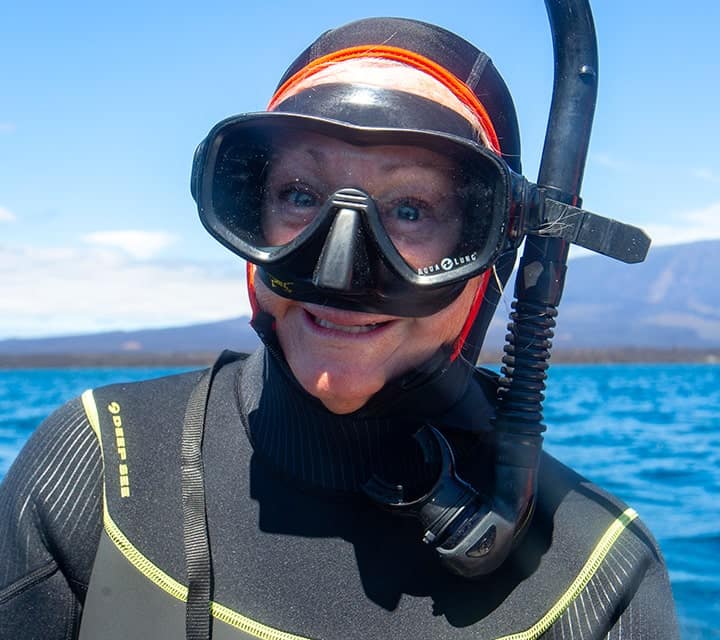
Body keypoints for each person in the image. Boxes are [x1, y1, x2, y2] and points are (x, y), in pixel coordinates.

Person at [0, 16, 679, 640]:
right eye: (299, 196)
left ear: (493, 250)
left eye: (412, 209)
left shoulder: (598, 578)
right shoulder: (95, 467)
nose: (341, 268)